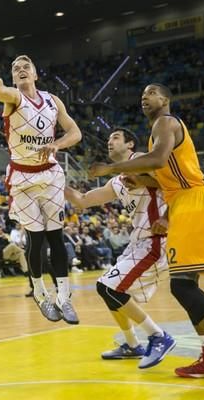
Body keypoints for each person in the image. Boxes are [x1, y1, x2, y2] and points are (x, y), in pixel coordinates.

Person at [88, 84, 204, 391]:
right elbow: (162, 176)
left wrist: (112, 167)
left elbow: (157, 159)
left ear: (165, 100)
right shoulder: (158, 131)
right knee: (185, 285)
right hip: (184, 204)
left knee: (182, 286)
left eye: (152, 92)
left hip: (193, 202)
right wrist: (164, 212)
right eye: (141, 92)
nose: (144, 95)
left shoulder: (165, 123)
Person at [0, 55, 82, 324]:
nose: (22, 70)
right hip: (22, 179)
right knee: (36, 241)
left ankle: (64, 297)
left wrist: (57, 144)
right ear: (14, 77)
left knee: (56, 237)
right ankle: (40, 293)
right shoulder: (12, 97)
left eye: (27, 67)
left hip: (50, 174)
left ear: (35, 74)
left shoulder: (52, 100)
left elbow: (75, 132)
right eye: (16, 68)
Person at [67, 127, 174, 369]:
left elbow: (175, 186)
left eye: (115, 137)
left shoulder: (142, 161)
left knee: (108, 287)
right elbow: (84, 200)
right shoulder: (116, 182)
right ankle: (132, 344)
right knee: (109, 290)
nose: (109, 142)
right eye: (108, 138)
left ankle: (158, 336)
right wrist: (51, 184)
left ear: (130, 146)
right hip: (138, 242)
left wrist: (167, 217)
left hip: (156, 239)